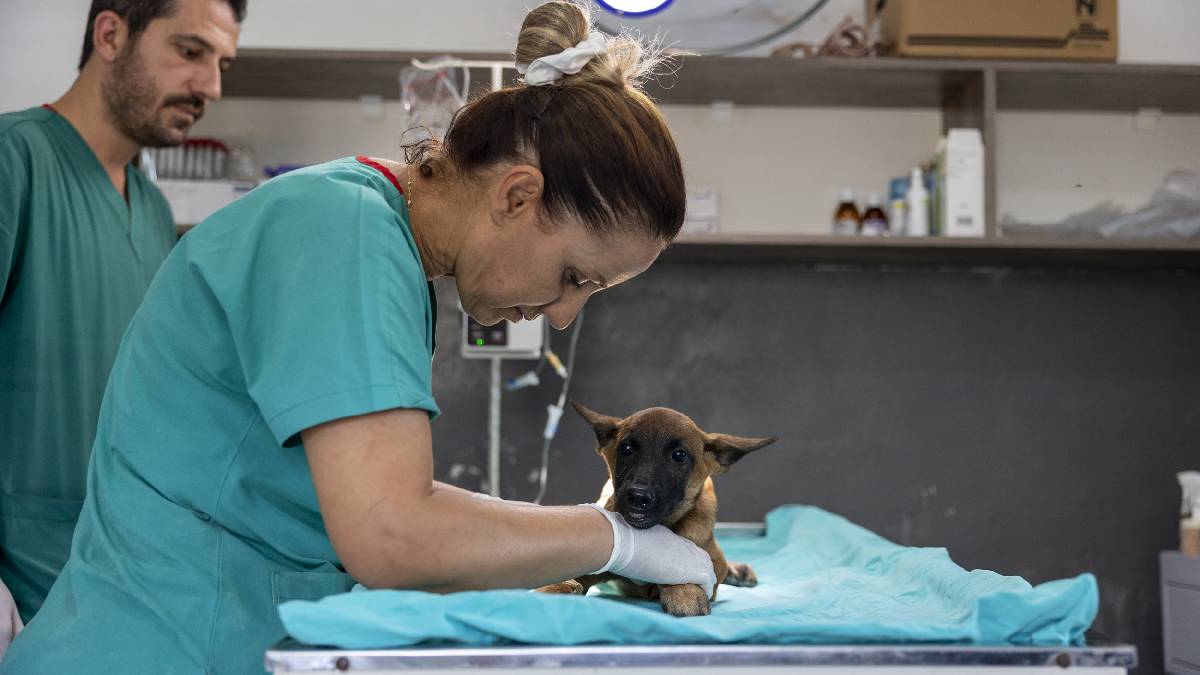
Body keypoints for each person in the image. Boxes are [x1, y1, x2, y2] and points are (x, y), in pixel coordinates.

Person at [1, 2, 714, 672]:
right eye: (573, 275)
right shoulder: (343, 235)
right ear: (517, 195)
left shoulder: (381, 243)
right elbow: (391, 531)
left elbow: (381, 495)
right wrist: (618, 540)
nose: (562, 314)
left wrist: (561, 553)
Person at [0, 0, 246, 644]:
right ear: (110, 35)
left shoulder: (153, 210)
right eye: (190, 52)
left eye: (222, 63)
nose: (211, 86)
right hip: (16, 579)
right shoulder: (12, 164)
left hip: (110, 578)